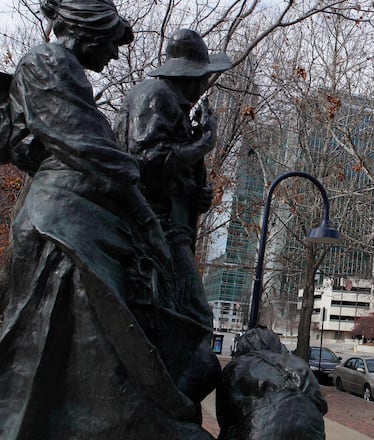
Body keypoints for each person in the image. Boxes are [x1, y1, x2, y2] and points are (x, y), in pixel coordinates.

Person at [0, 1, 211, 438]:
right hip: (63, 224)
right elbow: (94, 151)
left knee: (78, 343)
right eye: (113, 44)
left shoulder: (63, 70)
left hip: (77, 218)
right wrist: (144, 214)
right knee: (60, 335)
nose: (116, 56)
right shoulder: (47, 62)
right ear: (92, 34)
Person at [115, 28, 232, 407]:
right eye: (202, 75)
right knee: (196, 318)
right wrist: (204, 144)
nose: (204, 84)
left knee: (181, 318)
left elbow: (172, 173)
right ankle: (164, 406)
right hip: (155, 230)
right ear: (188, 73)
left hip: (170, 228)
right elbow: (148, 162)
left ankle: (162, 405)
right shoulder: (156, 96)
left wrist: (197, 192)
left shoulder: (171, 102)